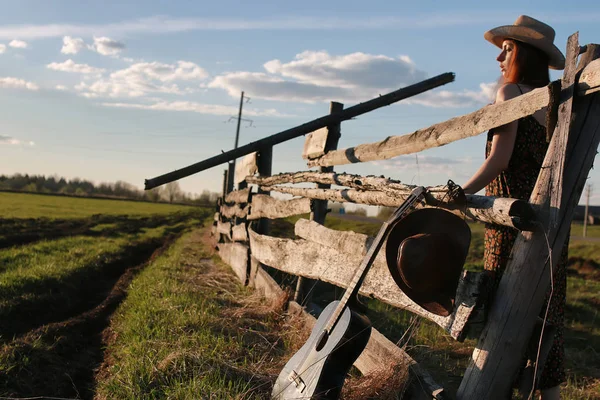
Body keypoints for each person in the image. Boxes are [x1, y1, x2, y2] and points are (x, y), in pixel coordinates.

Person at [461, 15, 567, 400]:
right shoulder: (556, 105)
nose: (499, 59)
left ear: (523, 53)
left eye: (506, 50)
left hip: (509, 218)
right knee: (545, 311)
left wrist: (459, 193)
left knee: (503, 311)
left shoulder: (511, 95)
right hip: (550, 220)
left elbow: (499, 161)